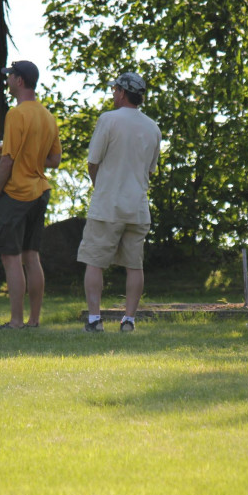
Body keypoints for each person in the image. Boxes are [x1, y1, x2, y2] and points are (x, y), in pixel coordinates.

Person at [77, 71, 162, 332]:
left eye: (115, 89)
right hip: (137, 207)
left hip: (107, 205)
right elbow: (150, 170)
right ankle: (129, 320)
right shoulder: (153, 128)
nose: (113, 93)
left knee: (95, 261)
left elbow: (93, 162)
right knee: (134, 265)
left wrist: (99, 185)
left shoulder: (109, 120)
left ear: (123, 92)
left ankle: (94, 320)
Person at [0, 60, 62, 329]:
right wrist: (32, 158)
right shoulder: (47, 115)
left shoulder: (16, 114)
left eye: (10, 77)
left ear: (20, 81)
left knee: (11, 257)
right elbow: (54, 159)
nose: (7, 81)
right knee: (32, 255)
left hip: (16, 193)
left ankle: (16, 321)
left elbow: (6, 160)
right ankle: (34, 319)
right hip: (40, 191)